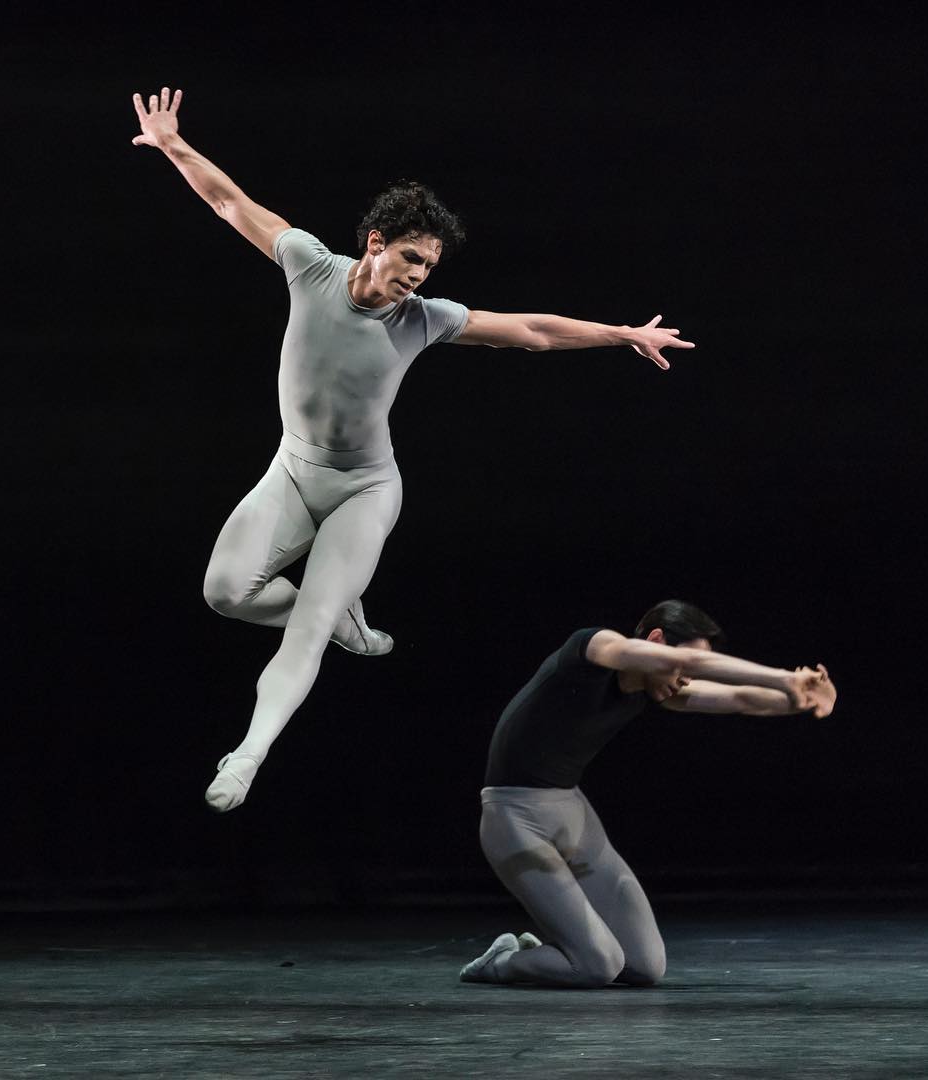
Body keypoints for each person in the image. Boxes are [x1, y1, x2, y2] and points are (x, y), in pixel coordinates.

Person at [130, 87, 697, 812]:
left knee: (303, 632)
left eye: (427, 268)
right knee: (224, 592)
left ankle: (247, 754)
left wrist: (624, 335)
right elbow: (230, 203)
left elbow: (533, 331)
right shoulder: (309, 264)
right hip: (293, 469)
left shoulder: (425, 319)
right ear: (374, 243)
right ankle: (342, 618)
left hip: (364, 488)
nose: (416, 277)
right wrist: (173, 144)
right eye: (409, 259)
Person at [460, 600, 837, 988]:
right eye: (681, 664)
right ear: (655, 641)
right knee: (596, 966)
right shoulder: (595, 648)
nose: (685, 678)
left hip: (572, 813)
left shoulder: (656, 690)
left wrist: (803, 699)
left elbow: (742, 699)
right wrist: (781, 677)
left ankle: (556, 951)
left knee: (645, 966)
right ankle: (501, 961)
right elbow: (693, 669)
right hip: (514, 817)